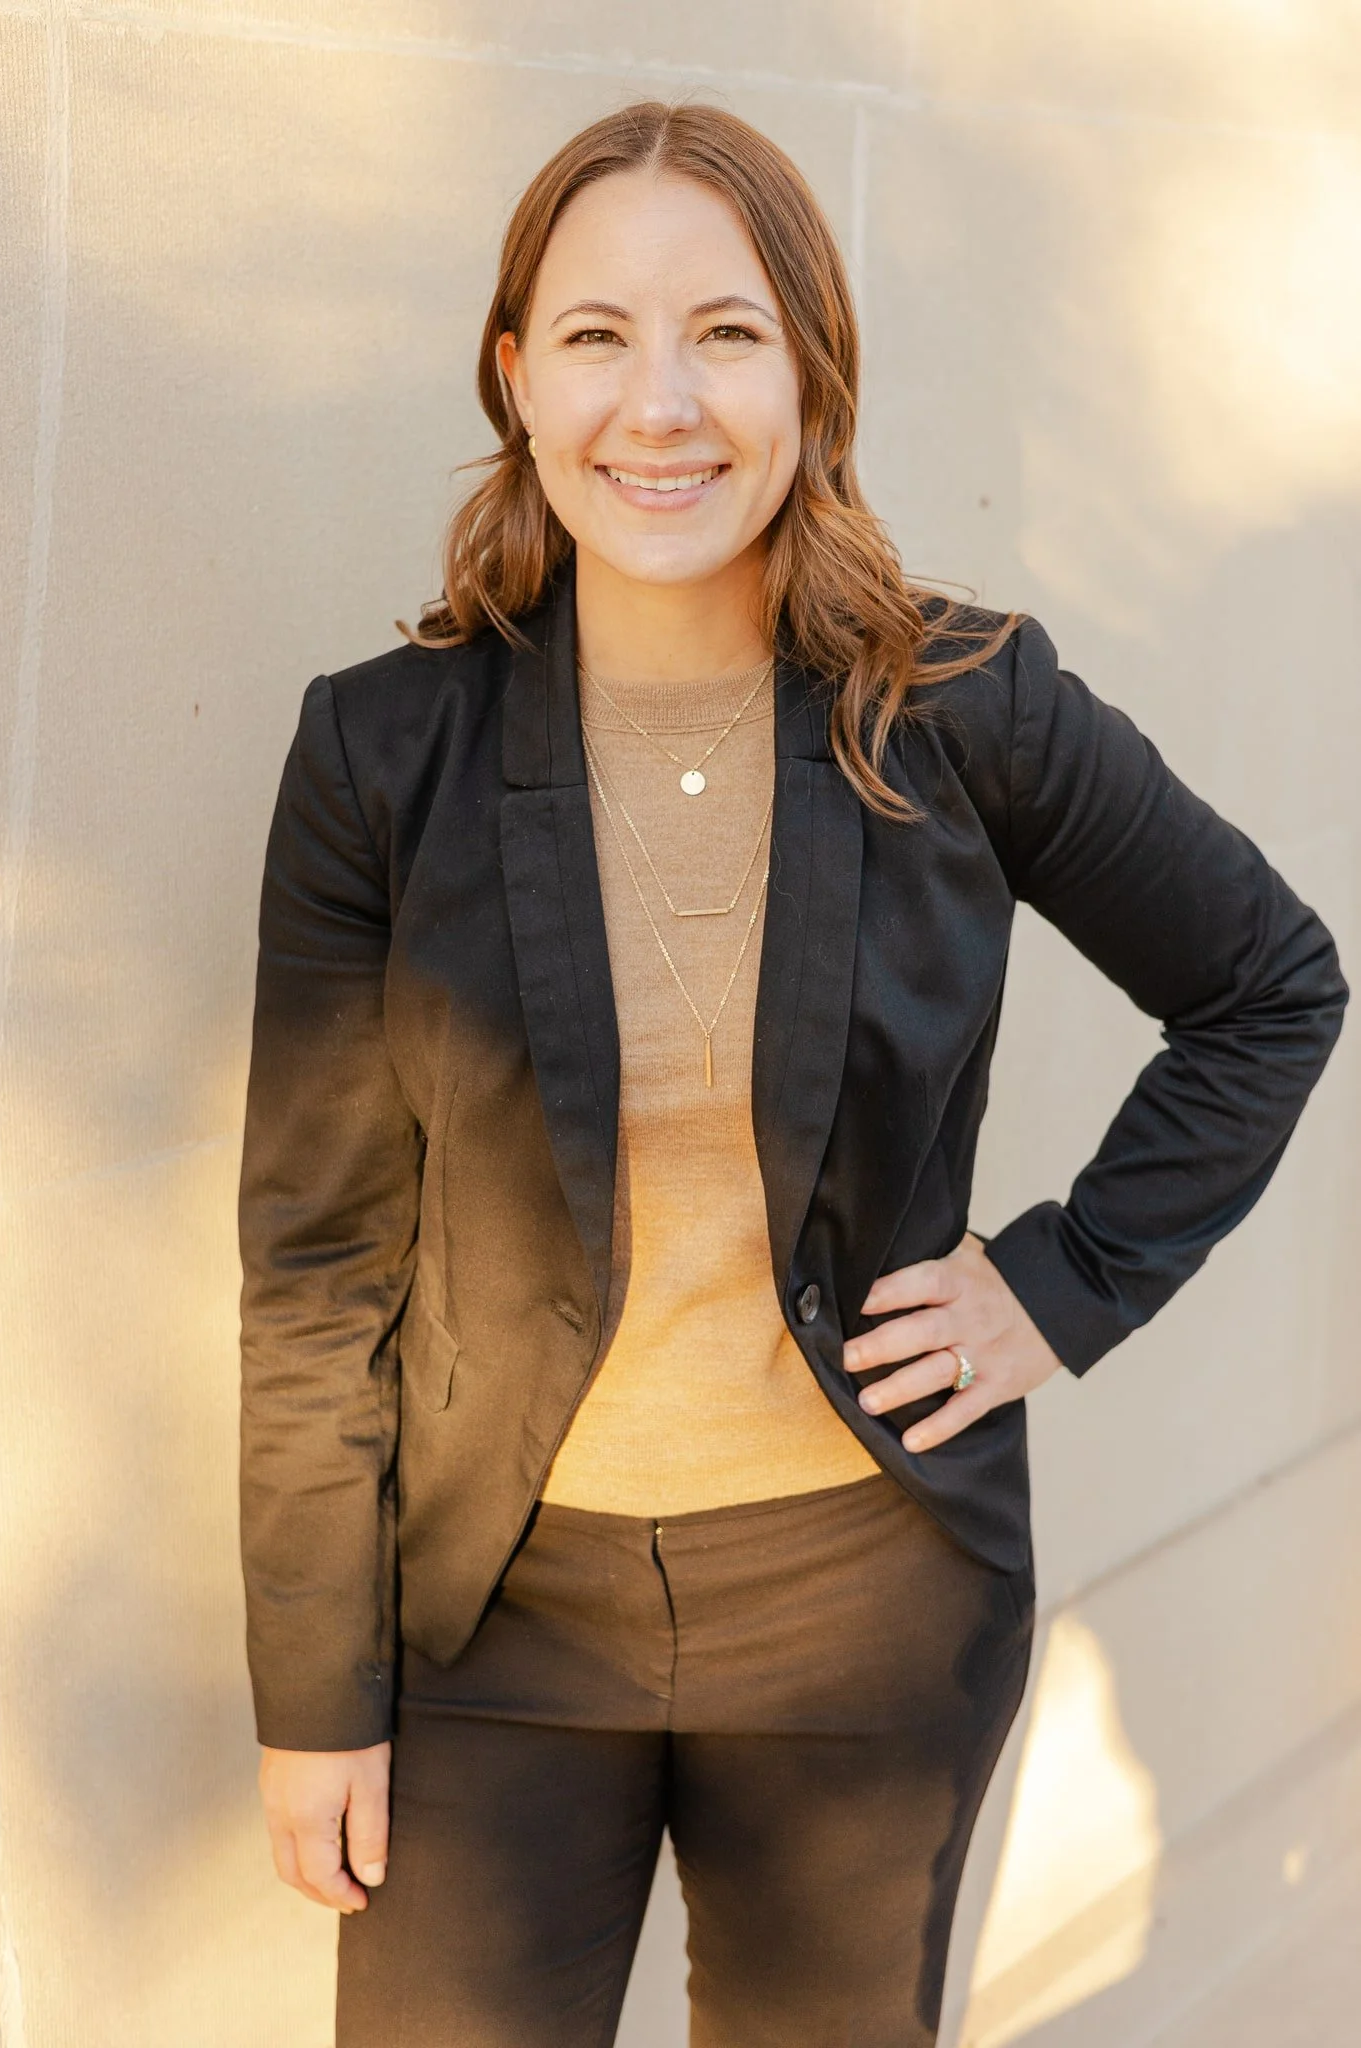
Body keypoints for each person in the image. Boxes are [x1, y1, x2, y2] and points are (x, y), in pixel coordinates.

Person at [237, 100, 1346, 2048]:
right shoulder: (376, 756)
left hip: (863, 1605)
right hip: (495, 1617)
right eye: (594, 335)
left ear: (811, 370)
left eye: (724, 331)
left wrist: (1056, 1284)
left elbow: (1267, 981)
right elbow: (322, 1267)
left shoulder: (959, 706)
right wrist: (312, 1688)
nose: (657, 400)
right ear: (515, 377)